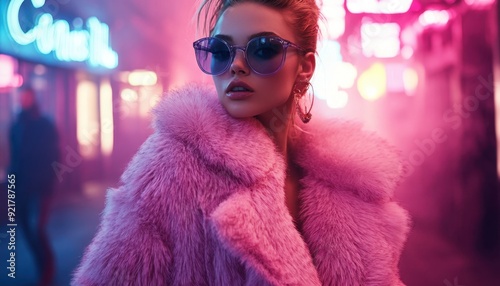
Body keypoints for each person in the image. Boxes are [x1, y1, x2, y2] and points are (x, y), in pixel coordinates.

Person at [73, 0, 410, 285]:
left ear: (305, 67)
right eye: (220, 51)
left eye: (263, 49)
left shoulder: (351, 189)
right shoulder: (169, 171)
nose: (235, 65)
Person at [9, 85, 58, 286]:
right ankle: (43, 266)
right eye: (21, 97)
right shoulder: (16, 125)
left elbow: (55, 154)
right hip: (22, 184)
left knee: (37, 228)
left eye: (27, 97)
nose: (24, 100)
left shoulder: (44, 124)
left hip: (42, 184)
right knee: (26, 228)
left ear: (33, 98)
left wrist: (50, 182)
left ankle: (47, 268)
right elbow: (15, 156)